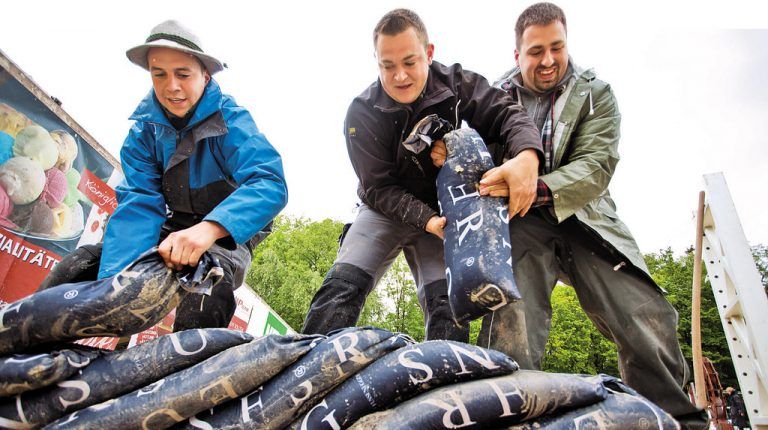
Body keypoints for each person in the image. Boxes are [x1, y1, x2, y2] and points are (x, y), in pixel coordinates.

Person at [465, 3, 705, 427]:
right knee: (512, 316)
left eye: (557, 47)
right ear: (516, 53)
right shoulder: (493, 96)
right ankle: (507, 419)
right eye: (536, 51)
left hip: (585, 215)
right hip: (518, 221)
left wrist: (537, 185)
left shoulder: (596, 93)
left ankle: (676, 420)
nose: (548, 60)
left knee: (643, 315)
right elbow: (472, 158)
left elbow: (596, 165)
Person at [301, 8, 542, 341]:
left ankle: (446, 386)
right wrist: (425, 219)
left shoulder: (458, 84)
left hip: (443, 213)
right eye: (388, 66)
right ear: (377, 62)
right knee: (340, 289)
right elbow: (377, 188)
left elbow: (506, 112)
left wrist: (529, 156)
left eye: (409, 62)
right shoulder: (361, 111)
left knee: (450, 307)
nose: (400, 76)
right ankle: (307, 367)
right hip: (382, 209)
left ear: (429, 54)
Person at [97, 20, 287, 331]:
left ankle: (190, 369)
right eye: (159, 74)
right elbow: (139, 204)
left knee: (208, 287)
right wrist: (115, 286)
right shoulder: (142, 133)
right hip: (172, 226)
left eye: (183, 74)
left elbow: (269, 183)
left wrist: (210, 229)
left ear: (205, 75)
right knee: (81, 268)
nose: (172, 86)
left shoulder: (233, 121)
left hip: (226, 237)